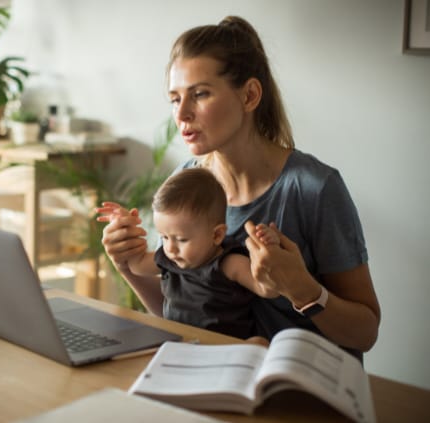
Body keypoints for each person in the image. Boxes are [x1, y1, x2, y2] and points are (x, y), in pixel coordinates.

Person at [99, 16, 380, 360]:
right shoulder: (186, 181)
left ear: (249, 95)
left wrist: (304, 290)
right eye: (174, 98)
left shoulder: (315, 189)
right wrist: (126, 264)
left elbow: (365, 333)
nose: (182, 114)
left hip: (302, 391)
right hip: (215, 377)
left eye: (199, 94)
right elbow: (184, 316)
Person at [98, 167, 280, 340]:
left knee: (259, 342)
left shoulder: (229, 263)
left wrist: (269, 252)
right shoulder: (170, 257)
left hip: (224, 348)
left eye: (181, 239)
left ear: (217, 235)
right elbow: (136, 266)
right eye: (164, 237)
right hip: (179, 342)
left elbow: (268, 290)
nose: (170, 248)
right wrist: (124, 225)